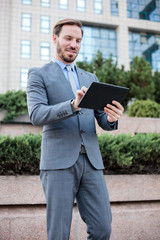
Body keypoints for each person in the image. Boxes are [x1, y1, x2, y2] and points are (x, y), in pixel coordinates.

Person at [27, 18, 124, 240]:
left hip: (91, 162)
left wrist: (112, 118)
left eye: (78, 40)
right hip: (58, 162)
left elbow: (103, 119)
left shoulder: (91, 78)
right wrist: (72, 105)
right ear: (55, 39)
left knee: (102, 228)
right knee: (59, 233)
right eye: (68, 38)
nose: (74, 44)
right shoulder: (38, 74)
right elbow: (36, 114)